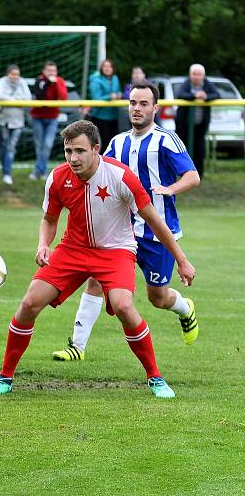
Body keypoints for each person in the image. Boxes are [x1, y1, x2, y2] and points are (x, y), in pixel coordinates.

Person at [0, 120, 196, 399]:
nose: (73, 158)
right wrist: (43, 244)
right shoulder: (58, 178)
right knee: (29, 303)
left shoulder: (120, 176)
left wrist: (182, 259)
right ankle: (4, 377)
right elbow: (49, 219)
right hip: (72, 250)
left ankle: (155, 378)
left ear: (96, 149)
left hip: (115, 251)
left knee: (124, 306)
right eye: (68, 151)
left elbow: (154, 220)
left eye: (80, 151)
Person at [53, 82, 200, 361]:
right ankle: (77, 346)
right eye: (133, 103)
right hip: (121, 232)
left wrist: (169, 189)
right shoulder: (117, 142)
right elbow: (98, 173)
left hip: (157, 233)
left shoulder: (166, 140)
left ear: (155, 108)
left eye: (144, 104)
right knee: (96, 279)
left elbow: (192, 176)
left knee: (157, 297)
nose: (137, 108)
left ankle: (184, 308)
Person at [175, 63, 220, 178]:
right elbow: (180, 94)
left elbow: (217, 94)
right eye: (194, 74)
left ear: (203, 75)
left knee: (199, 150)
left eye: (199, 74)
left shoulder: (207, 84)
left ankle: (199, 174)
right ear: (190, 75)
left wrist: (205, 97)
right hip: (184, 125)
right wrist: (195, 95)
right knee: (182, 149)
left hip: (200, 125)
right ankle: (182, 173)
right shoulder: (186, 83)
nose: (197, 76)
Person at [30, 61, 68, 180]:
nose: (52, 73)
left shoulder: (59, 81)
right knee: (39, 145)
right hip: (37, 118)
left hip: (52, 118)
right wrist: (47, 83)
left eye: (54, 71)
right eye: (49, 71)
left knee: (47, 145)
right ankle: (41, 171)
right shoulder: (39, 81)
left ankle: (39, 170)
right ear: (44, 71)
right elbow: (40, 96)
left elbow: (63, 97)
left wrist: (55, 84)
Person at [0, 64, 32, 185]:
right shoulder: (1, 81)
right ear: (8, 74)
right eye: (13, 74)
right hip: (3, 120)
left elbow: (28, 97)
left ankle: (7, 174)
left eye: (17, 74)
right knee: (4, 146)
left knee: (11, 147)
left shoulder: (22, 83)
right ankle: (4, 170)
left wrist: (10, 99)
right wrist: (17, 100)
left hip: (18, 121)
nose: (15, 77)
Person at [87, 58, 122, 152]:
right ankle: (101, 165)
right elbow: (96, 98)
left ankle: (113, 165)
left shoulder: (115, 78)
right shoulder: (96, 80)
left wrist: (119, 95)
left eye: (109, 66)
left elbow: (117, 92)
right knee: (104, 145)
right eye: (105, 66)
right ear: (101, 68)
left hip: (113, 116)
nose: (107, 68)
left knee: (115, 143)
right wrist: (110, 97)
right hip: (100, 117)